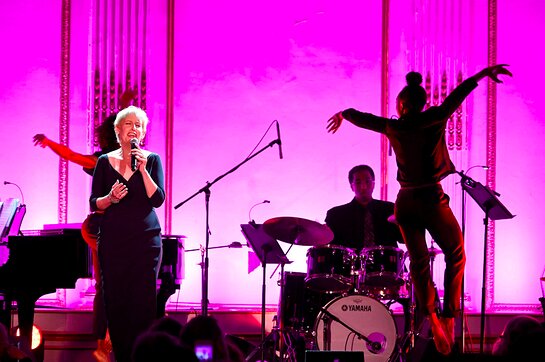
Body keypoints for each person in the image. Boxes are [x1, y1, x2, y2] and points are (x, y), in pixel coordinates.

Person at [326, 64, 512, 355]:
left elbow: (364, 118)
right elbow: (456, 97)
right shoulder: (435, 117)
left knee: (419, 262)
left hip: (405, 200)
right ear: (423, 103)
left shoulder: (394, 125)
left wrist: (343, 114)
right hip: (430, 196)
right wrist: (480, 75)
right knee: (456, 252)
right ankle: (449, 314)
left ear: (400, 105)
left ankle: (432, 315)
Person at [32, 89, 135, 362]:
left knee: (115, 285)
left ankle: (113, 339)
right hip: (100, 228)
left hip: (121, 229)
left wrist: (126, 105)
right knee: (106, 284)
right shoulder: (100, 161)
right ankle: (103, 341)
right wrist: (49, 142)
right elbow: (70, 155)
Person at [90, 105, 165, 362]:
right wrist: (109, 198)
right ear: (118, 130)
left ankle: (142, 358)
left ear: (143, 133)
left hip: (145, 241)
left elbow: (157, 199)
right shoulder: (103, 161)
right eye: (129, 124)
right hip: (113, 242)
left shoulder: (152, 160)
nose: (135, 128)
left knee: (142, 305)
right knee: (117, 303)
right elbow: (93, 202)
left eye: (139, 125)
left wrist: (143, 170)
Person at [325, 164, 403, 253]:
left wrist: (405, 223)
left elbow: (403, 239)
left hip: (387, 264)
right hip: (352, 265)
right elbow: (330, 246)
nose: (363, 187)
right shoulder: (336, 214)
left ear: (373, 184)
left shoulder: (389, 209)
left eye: (367, 181)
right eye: (358, 182)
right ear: (352, 186)